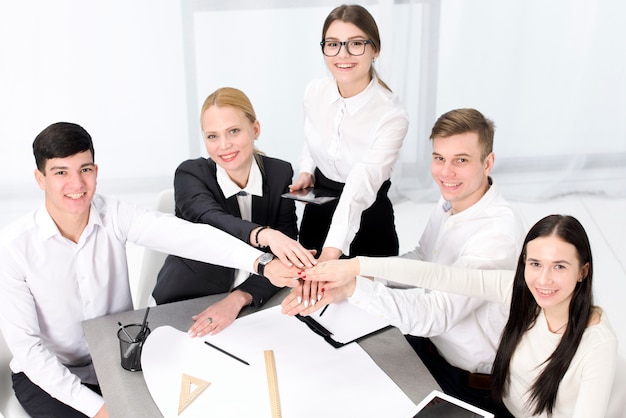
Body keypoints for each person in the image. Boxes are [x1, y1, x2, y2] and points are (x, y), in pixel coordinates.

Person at [0, 122, 300, 418]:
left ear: (96, 171)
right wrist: (102, 410)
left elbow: (189, 236)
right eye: (61, 173)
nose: (77, 184)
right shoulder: (14, 248)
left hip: (120, 359)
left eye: (85, 169)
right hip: (49, 377)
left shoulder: (114, 214)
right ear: (40, 179)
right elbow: (29, 351)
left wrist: (260, 262)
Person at [284, 108, 526, 415]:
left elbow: (437, 314)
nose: (446, 172)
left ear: (487, 163)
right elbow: (422, 260)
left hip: (470, 384)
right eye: (439, 158)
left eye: (461, 160)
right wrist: (360, 277)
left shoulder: (496, 234)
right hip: (428, 350)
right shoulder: (453, 200)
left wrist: (354, 288)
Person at [304, 214, 619, 417]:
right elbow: (437, 276)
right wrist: (355, 268)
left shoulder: (597, 345)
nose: (544, 279)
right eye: (535, 263)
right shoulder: (521, 289)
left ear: (583, 271)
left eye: (559, 266)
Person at [152, 87, 315, 336]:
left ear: (255, 129)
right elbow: (211, 218)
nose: (224, 145)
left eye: (234, 131)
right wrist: (265, 235)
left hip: (255, 298)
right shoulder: (190, 174)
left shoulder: (279, 172)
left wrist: (239, 298)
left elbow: (284, 252)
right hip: (188, 300)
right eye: (212, 136)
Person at [289, 4, 409, 265]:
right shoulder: (313, 92)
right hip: (319, 209)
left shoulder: (392, 115)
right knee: (308, 300)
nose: (342, 54)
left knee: (367, 300)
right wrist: (307, 170)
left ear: (375, 49)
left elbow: (361, 183)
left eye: (355, 43)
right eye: (333, 44)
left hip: (368, 215)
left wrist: (332, 251)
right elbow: (312, 138)